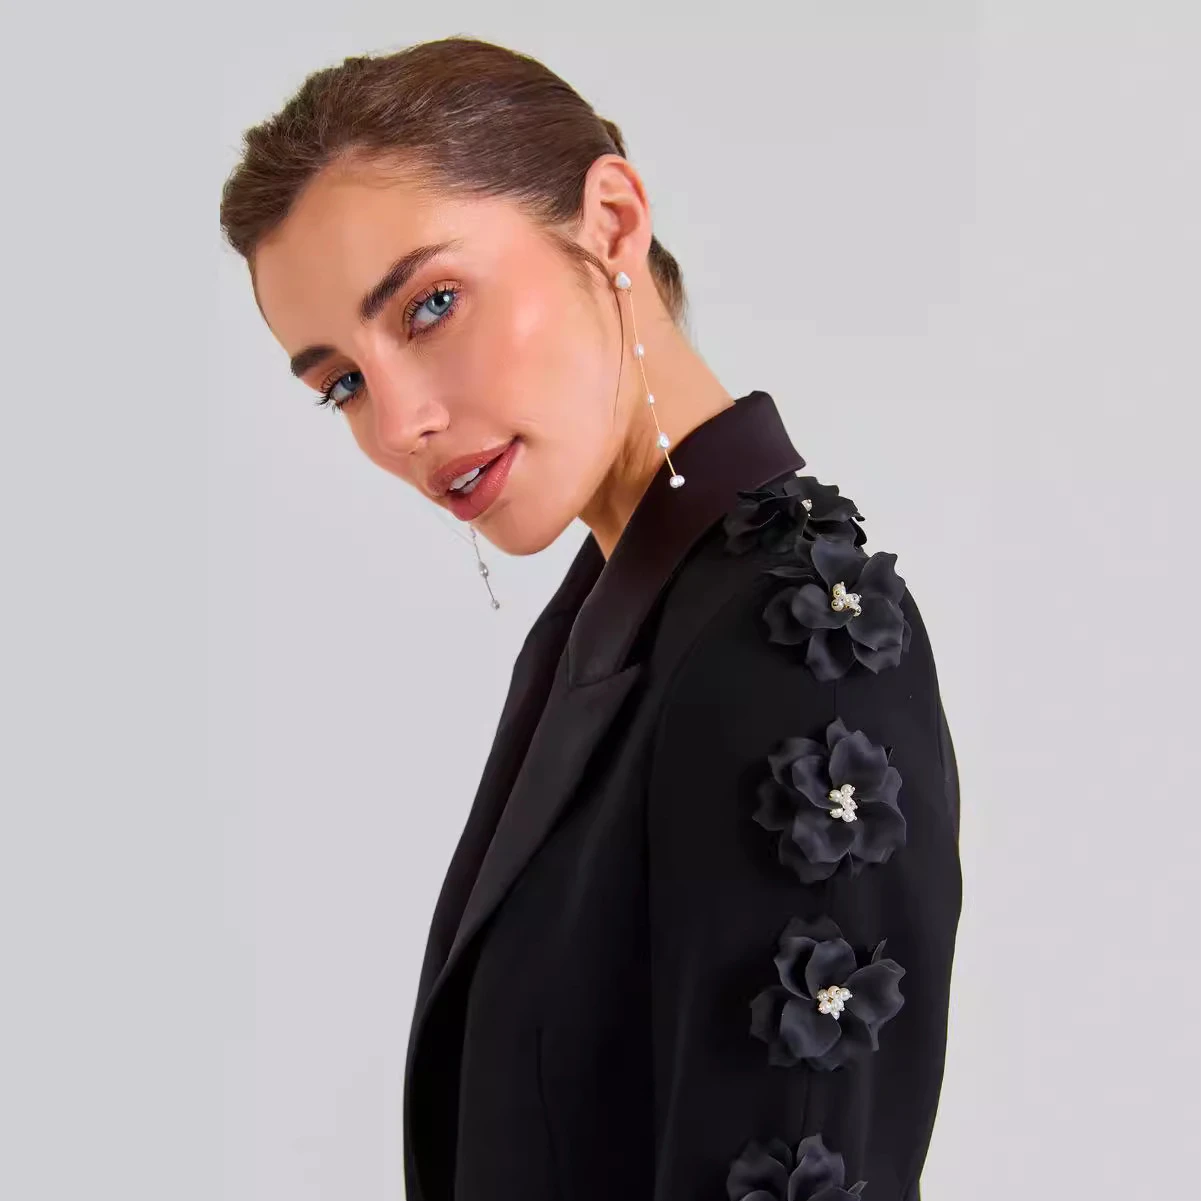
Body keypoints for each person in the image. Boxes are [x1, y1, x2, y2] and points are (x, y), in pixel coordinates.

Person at [219, 35, 963, 1201]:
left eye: (430, 305)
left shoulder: (792, 646)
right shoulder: (605, 624)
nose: (399, 424)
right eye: (342, 383)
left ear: (610, 222)